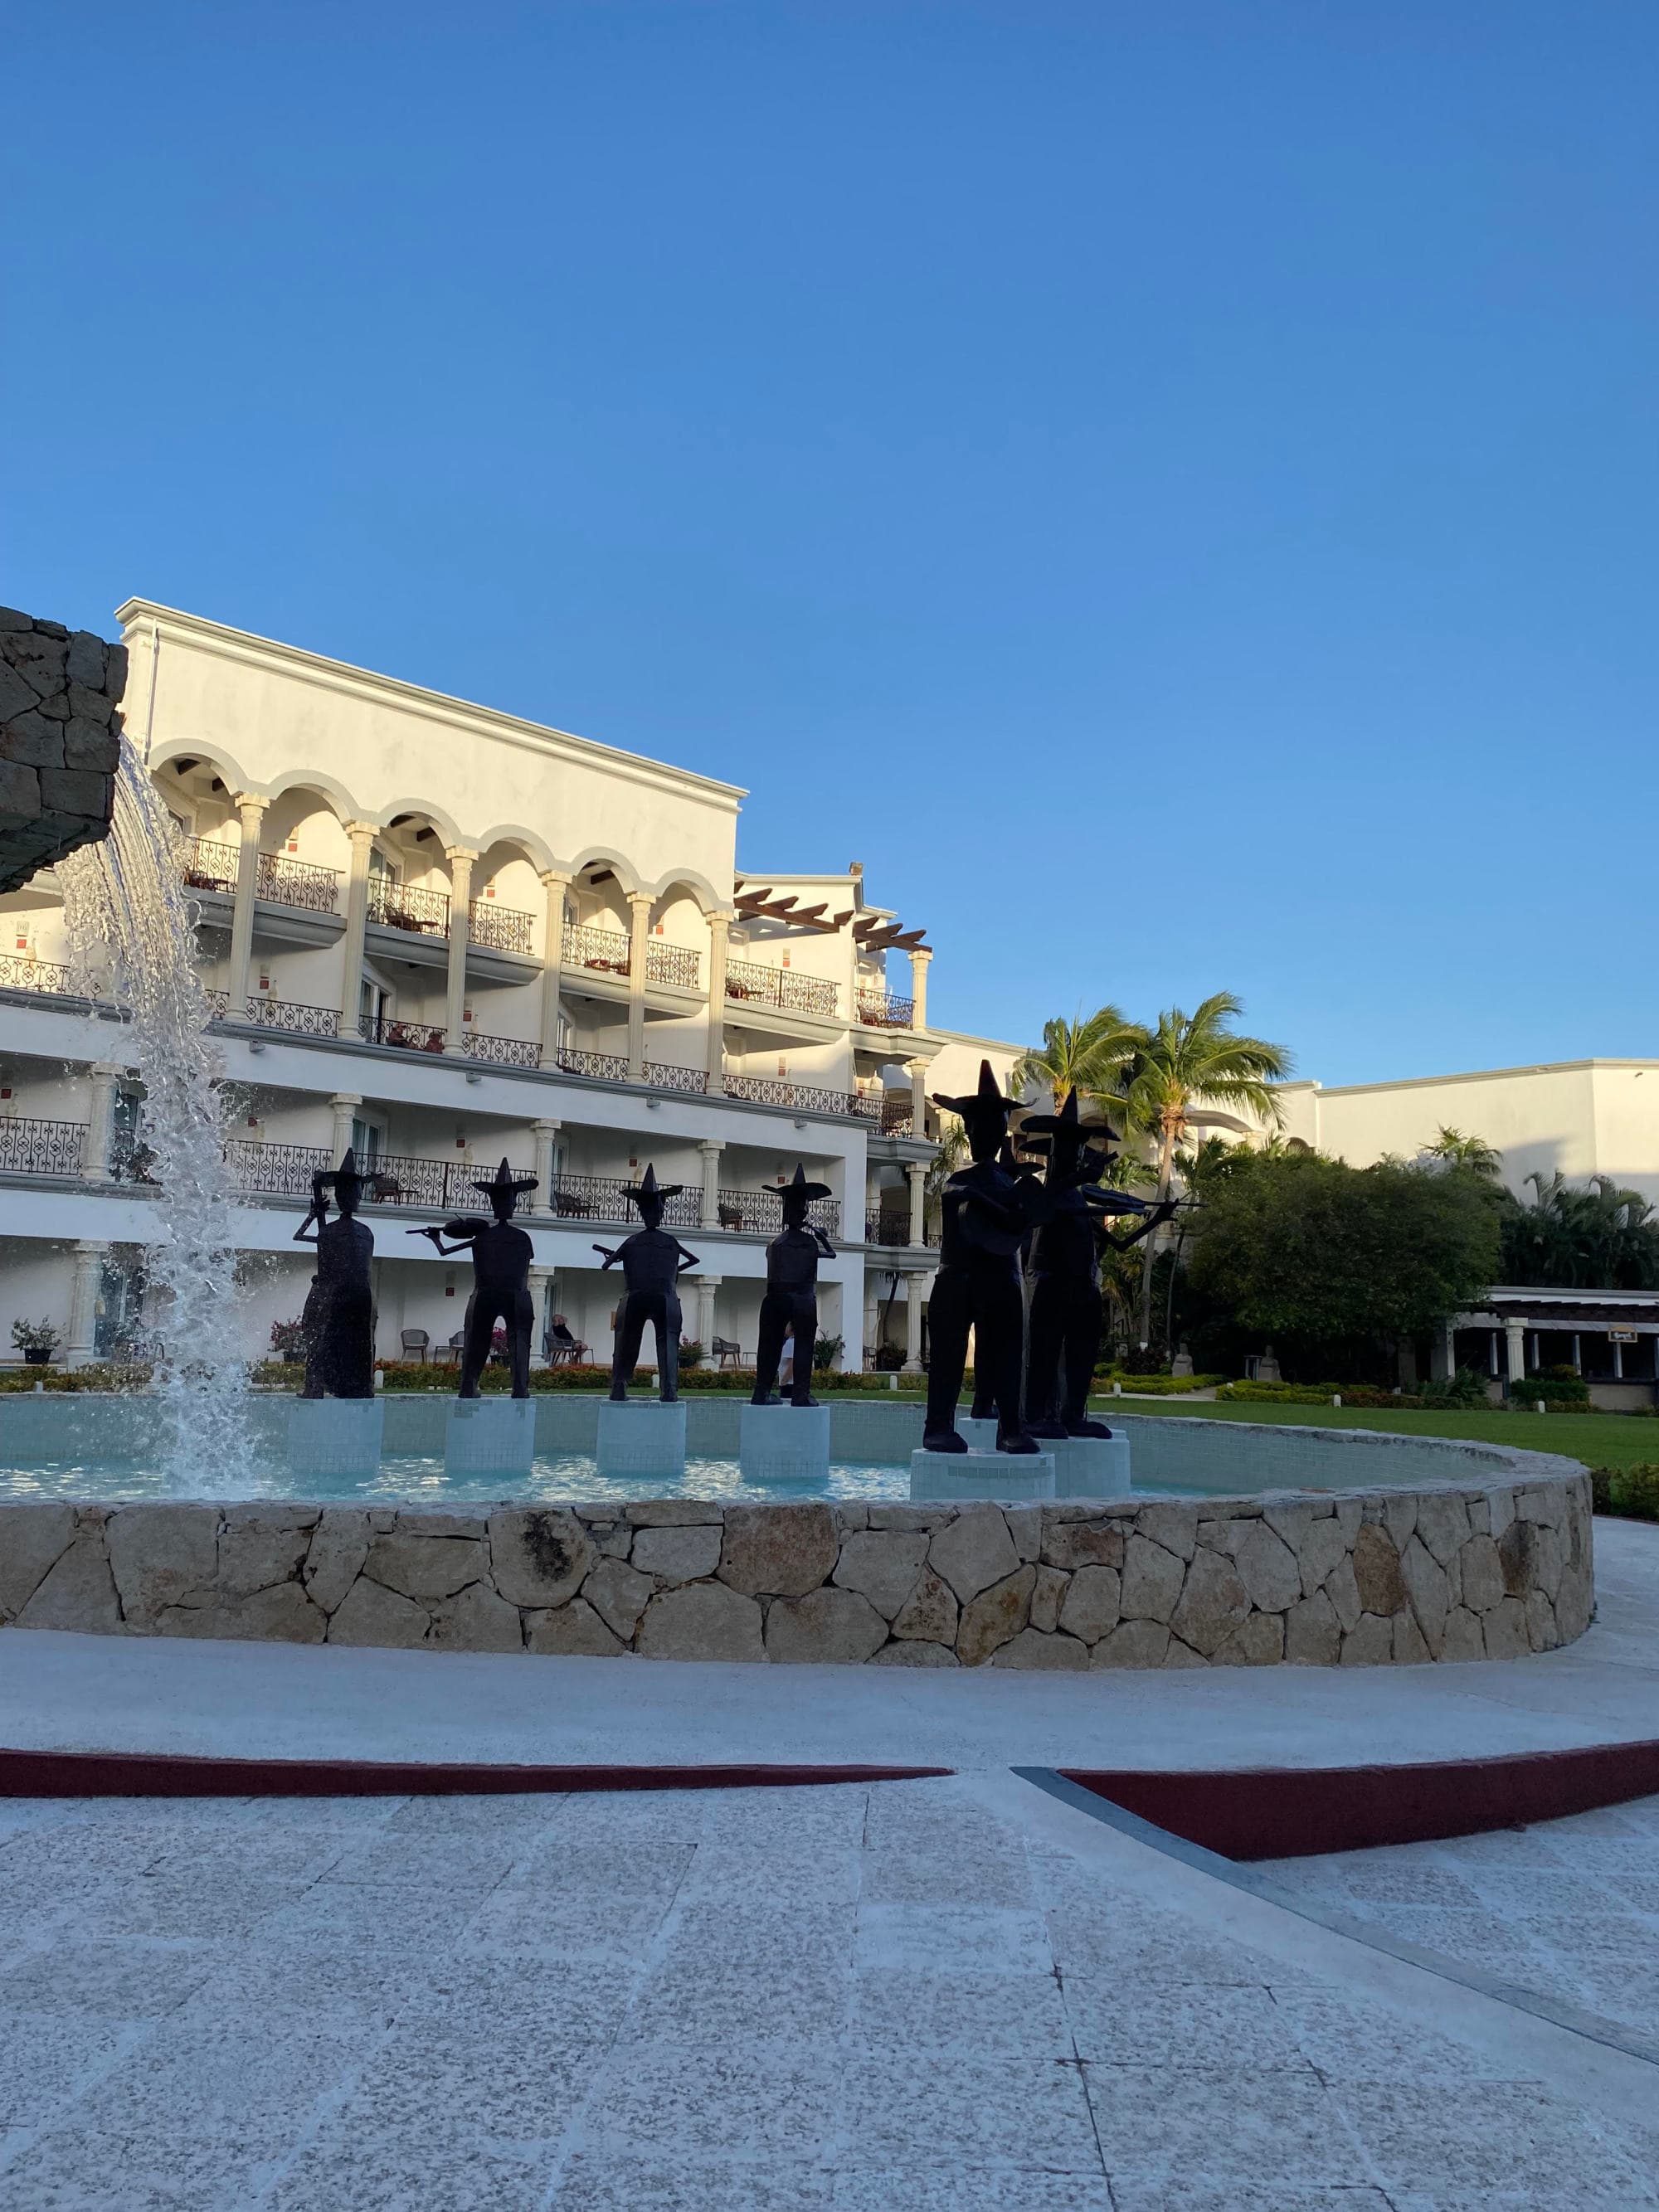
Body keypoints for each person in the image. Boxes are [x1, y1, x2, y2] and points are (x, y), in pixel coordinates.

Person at [411, 1157, 540, 1398]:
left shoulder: (483, 1236)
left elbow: (444, 1251)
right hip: (517, 1294)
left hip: (485, 1294)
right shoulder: (521, 1237)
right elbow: (527, 1260)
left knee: (476, 1340)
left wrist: (436, 1238)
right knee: (520, 1342)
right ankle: (520, 1389)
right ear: (513, 1204)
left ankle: (469, 1387)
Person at [594, 1164, 700, 1401]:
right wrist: (674, 1272)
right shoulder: (670, 1241)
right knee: (668, 1344)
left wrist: (615, 1258)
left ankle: (619, 1387)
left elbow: (606, 1265)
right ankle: (669, 1390)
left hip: (635, 1296)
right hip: (666, 1296)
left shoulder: (632, 1241)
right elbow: (694, 1260)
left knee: (626, 1342)